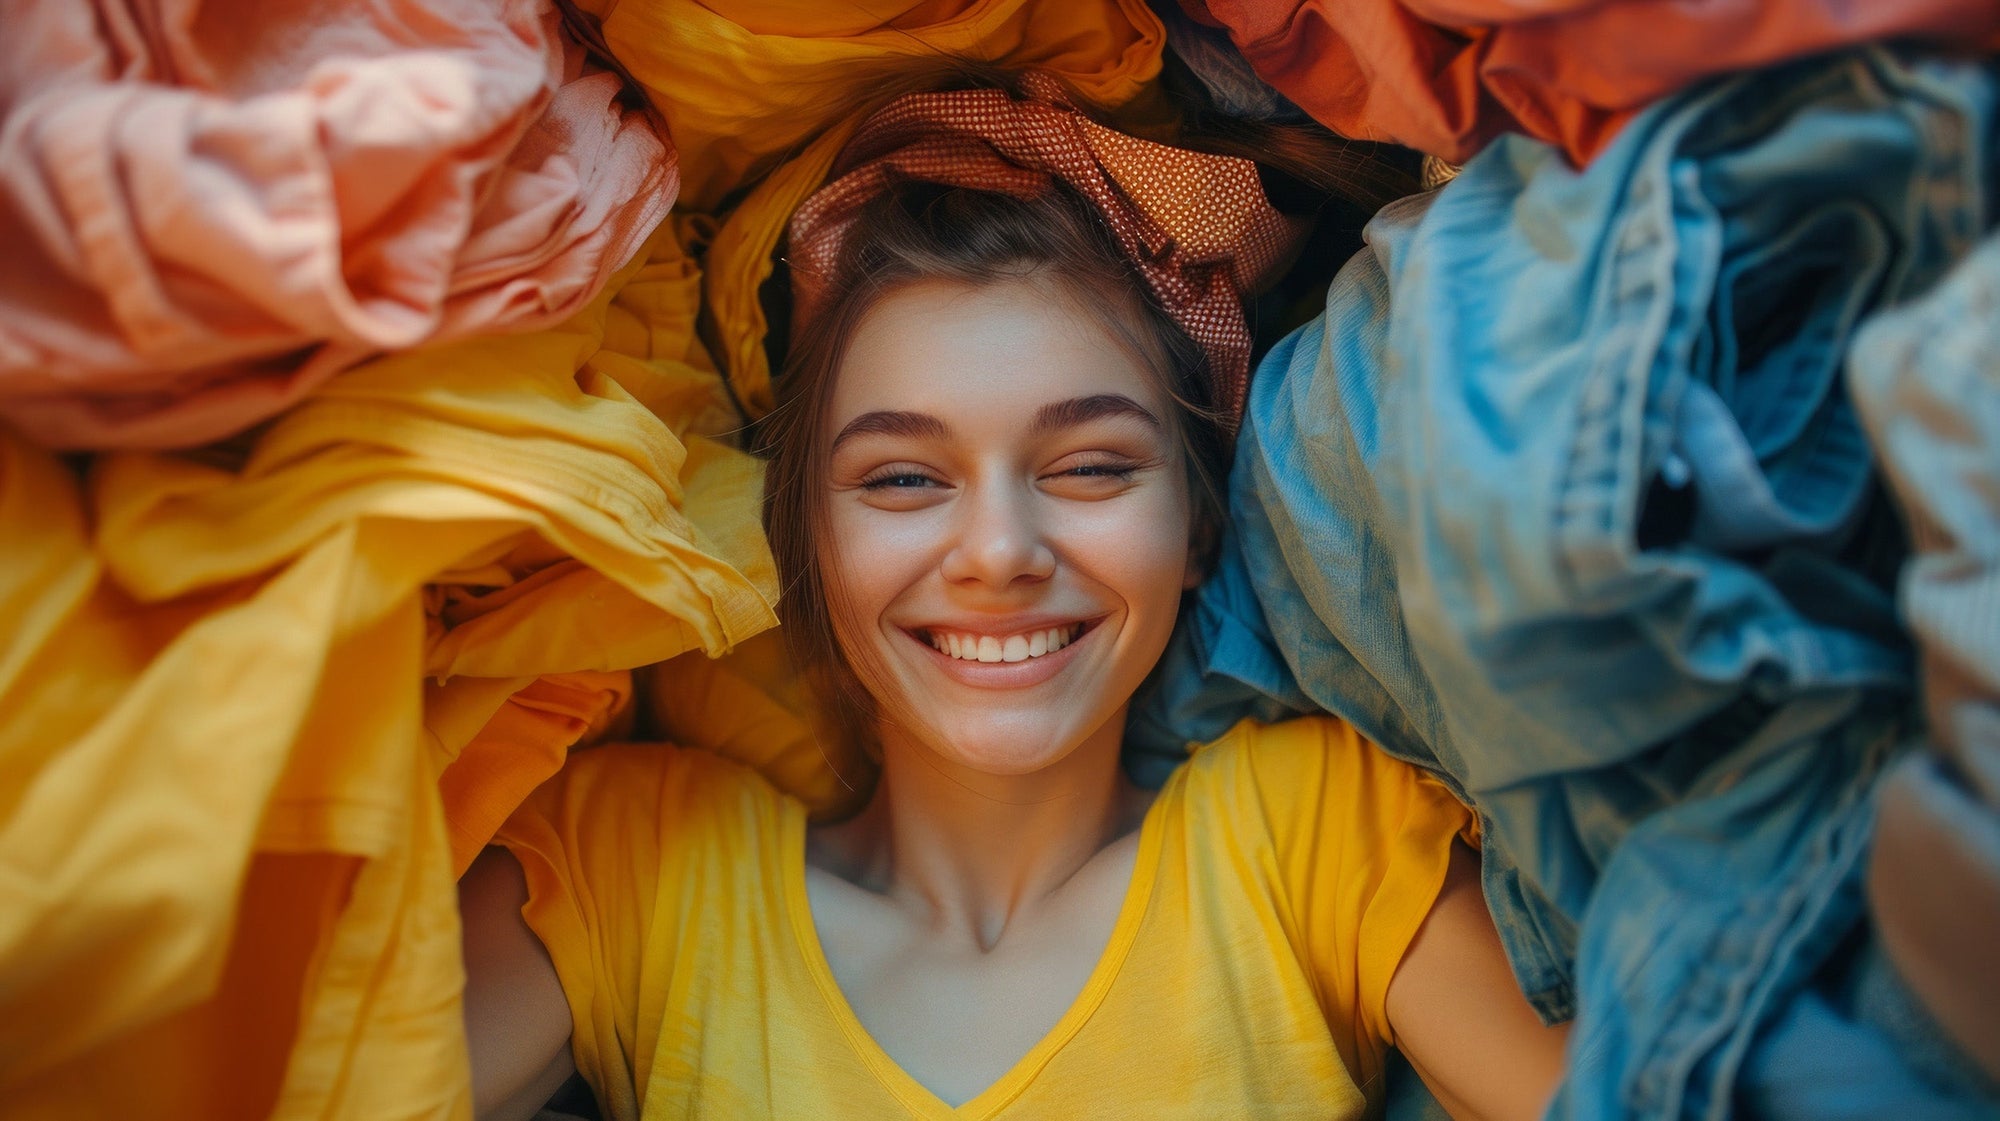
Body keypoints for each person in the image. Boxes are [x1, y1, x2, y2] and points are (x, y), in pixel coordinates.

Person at [457, 75, 1570, 1121]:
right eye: (901, 478)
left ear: (1197, 524)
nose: (997, 552)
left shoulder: (1312, 831)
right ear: (802, 538)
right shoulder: (632, 865)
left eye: (1087, 466)